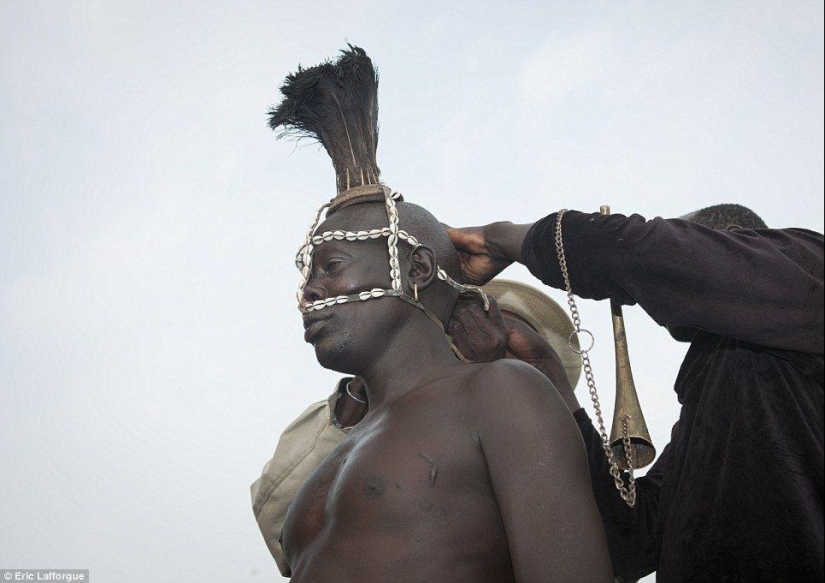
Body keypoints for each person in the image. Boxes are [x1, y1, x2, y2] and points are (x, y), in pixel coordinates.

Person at [260, 45, 614, 583]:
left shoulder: (499, 394)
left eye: (331, 265)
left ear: (418, 269)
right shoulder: (325, 463)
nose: (309, 292)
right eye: (308, 274)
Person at [446, 203, 824, 582]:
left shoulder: (808, 266)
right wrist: (548, 372)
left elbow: (655, 254)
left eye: (686, 238)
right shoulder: (716, 408)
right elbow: (634, 541)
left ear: (733, 238)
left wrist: (501, 239)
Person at [250, 280, 582, 577]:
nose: (482, 338)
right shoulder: (360, 420)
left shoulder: (525, 414)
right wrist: (369, 384)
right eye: (468, 325)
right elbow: (277, 521)